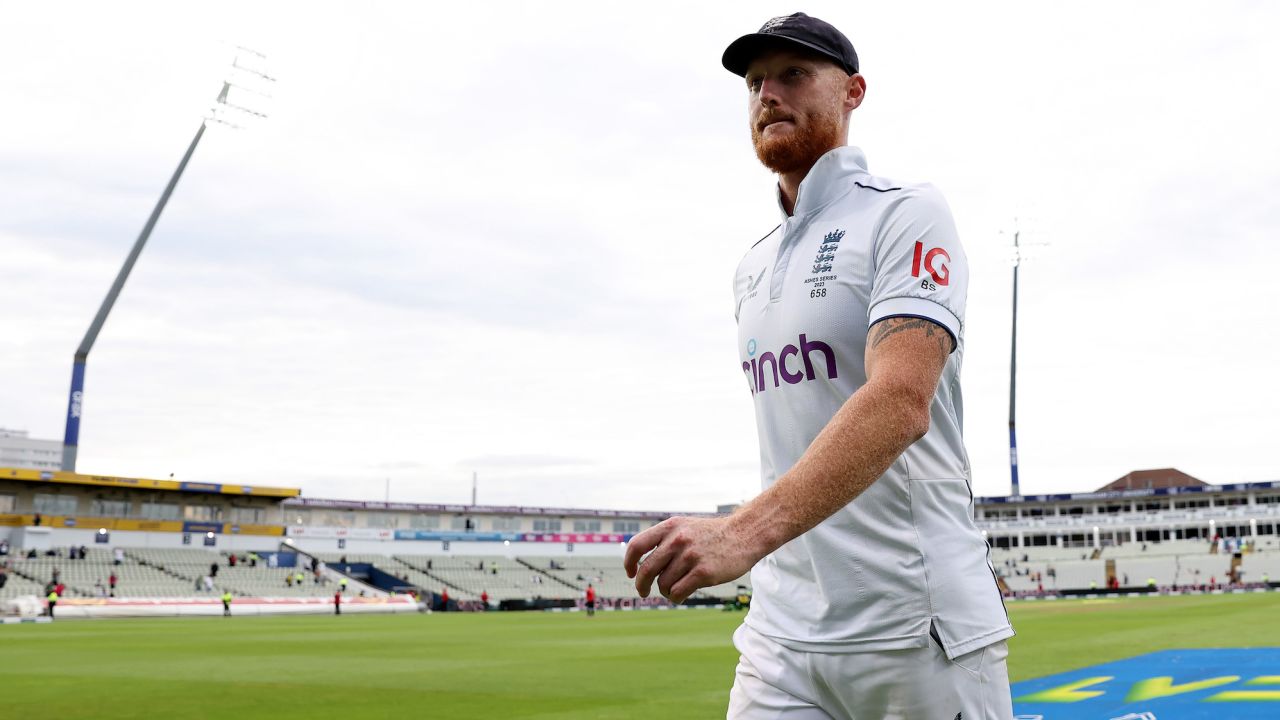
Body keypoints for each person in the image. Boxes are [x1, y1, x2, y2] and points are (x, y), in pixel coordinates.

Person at [622, 14, 1013, 719]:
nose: (767, 94)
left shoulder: (907, 213)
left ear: (854, 91)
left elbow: (900, 400)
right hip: (782, 634)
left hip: (914, 628)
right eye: (753, 84)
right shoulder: (751, 265)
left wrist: (740, 532)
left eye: (793, 75)